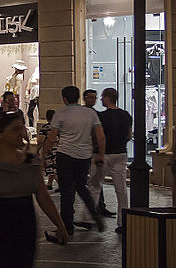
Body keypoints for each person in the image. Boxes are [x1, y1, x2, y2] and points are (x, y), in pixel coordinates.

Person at [0, 110, 69, 266]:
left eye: (22, 127)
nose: (22, 132)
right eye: (15, 129)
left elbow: (43, 196)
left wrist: (60, 225)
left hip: (24, 223)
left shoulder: (32, 161)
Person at [42, 85, 105, 238]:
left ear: (64, 99)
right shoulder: (90, 113)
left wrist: (45, 152)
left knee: (66, 192)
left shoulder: (60, 114)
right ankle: (95, 214)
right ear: (78, 97)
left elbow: (52, 136)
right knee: (81, 187)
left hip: (65, 155)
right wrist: (101, 154)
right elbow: (100, 135)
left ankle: (67, 226)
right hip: (84, 156)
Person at [95, 88, 131, 233]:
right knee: (121, 189)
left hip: (106, 154)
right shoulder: (126, 115)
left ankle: (89, 218)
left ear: (107, 98)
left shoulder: (101, 117)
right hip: (121, 153)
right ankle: (123, 222)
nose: (101, 100)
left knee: (95, 185)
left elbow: (99, 136)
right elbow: (129, 135)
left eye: (102, 97)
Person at [80, 89, 109, 217]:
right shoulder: (81, 113)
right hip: (83, 150)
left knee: (96, 180)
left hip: (93, 151)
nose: (93, 100)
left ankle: (99, 206)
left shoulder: (97, 114)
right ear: (85, 98)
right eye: (90, 97)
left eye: (94, 97)